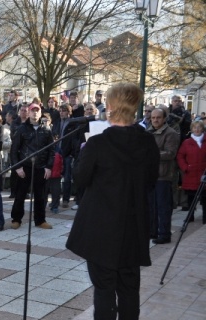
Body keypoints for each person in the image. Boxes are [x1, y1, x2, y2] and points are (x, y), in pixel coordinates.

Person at [66, 83, 160, 320]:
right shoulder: (148, 142)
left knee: (104, 289)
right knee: (129, 289)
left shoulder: (97, 143)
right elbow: (151, 180)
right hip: (133, 227)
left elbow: (80, 178)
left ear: (109, 107)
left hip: (101, 229)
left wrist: (84, 151)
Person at [10, 103, 55, 230]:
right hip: (25, 166)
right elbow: (14, 150)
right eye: (32, 110)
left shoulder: (46, 130)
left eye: (37, 110)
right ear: (28, 113)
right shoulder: (22, 129)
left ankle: (40, 220)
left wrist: (49, 166)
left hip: (41, 167)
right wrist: (17, 167)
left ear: (41, 113)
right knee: (20, 194)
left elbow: (51, 150)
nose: (35, 113)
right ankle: (16, 219)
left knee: (41, 196)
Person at [147, 107, 180, 244]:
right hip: (150, 174)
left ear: (164, 118)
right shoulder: (148, 131)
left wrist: (152, 154)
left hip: (163, 175)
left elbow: (171, 153)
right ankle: (153, 231)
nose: (155, 120)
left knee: (163, 207)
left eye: (158, 117)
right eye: (153, 117)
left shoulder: (171, 133)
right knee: (151, 206)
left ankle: (164, 234)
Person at [176, 120, 206, 224]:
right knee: (191, 197)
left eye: (199, 127)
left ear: (202, 129)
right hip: (191, 173)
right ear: (191, 129)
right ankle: (190, 216)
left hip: (204, 174)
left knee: (205, 197)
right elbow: (180, 156)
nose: (197, 129)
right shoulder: (187, 142)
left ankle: (205, 218)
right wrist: (185, 167)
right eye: (195, 127)